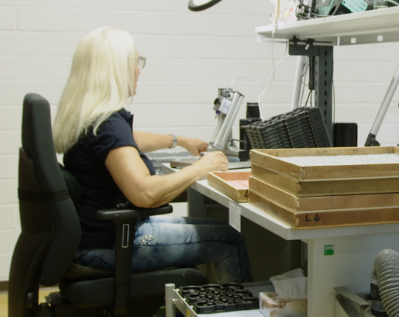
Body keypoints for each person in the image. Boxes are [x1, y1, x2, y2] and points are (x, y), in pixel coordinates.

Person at [52, 27, 252, 284]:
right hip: (113, 244)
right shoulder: (107, 124)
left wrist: (180, 140)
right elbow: (145, 193)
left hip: (103, 235)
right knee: (230, 240)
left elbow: (131, 140)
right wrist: (202, 167)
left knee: (222, 231)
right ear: (116, 68)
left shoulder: (89, 116)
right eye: (136, 62)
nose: (138, 69)